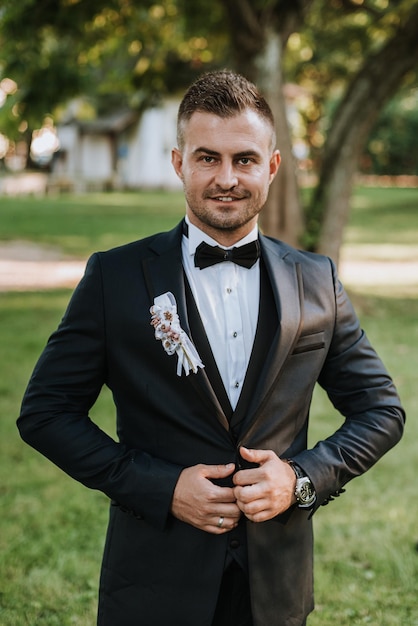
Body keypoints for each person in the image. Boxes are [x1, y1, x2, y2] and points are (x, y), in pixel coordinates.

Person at [18, 70, 405, 626]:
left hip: (275, 588)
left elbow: (381, 410)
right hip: (154, 582)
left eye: (244, 159)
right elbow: (46, 413)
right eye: (207, 158)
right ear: (179, 163)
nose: (227, 178)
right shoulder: (116, 277)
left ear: (271, 166)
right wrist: (161, 487)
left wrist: (300, 479)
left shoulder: (316, 281)